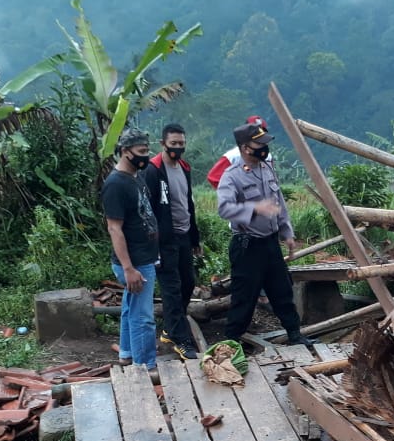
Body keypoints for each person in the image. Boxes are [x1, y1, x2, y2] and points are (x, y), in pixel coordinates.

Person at [216, 122, 314, 346]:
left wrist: (287, 233)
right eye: (257, 144)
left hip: (270, 243)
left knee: (282, 290)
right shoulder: (231, 176)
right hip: (247, 245)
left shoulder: (266, 168)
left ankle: (295, 334)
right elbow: (224, 209)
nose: (263, 148)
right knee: (244, 296)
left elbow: (278, 203)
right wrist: (254, 209)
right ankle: (230, 342)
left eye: (264, 143)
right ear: (244, 148)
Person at [102, 127, 159, 370]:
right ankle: (145, 366)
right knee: (143, 317)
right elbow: (114, 228)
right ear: (125, 152)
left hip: (143, 257)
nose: (146, 156)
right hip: (135, 262)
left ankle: (126, 353)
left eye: (147, 150)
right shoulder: (115, 184)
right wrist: (128, 268)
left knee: (130, 308)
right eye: (141, 151)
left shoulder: (136, 177)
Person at [144, 123, 201, 360]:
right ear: (163, 144)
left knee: (188, 283)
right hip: (164, 241)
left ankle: (169, 327)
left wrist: (195, 237)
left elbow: (189, 204)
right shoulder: (153, 170)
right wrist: (153, 244)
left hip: (184, 235)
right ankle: (181, 339)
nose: (178, 148)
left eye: (181, 143)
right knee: (172, 289)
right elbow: (148, 210)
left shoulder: (184, 168)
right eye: (174, 144)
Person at [207, 115, 272, 189]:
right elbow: (213, 178)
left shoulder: (268, 156)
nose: (259, 133)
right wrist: (234, 191)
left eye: (262, 130)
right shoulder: (232, 156)